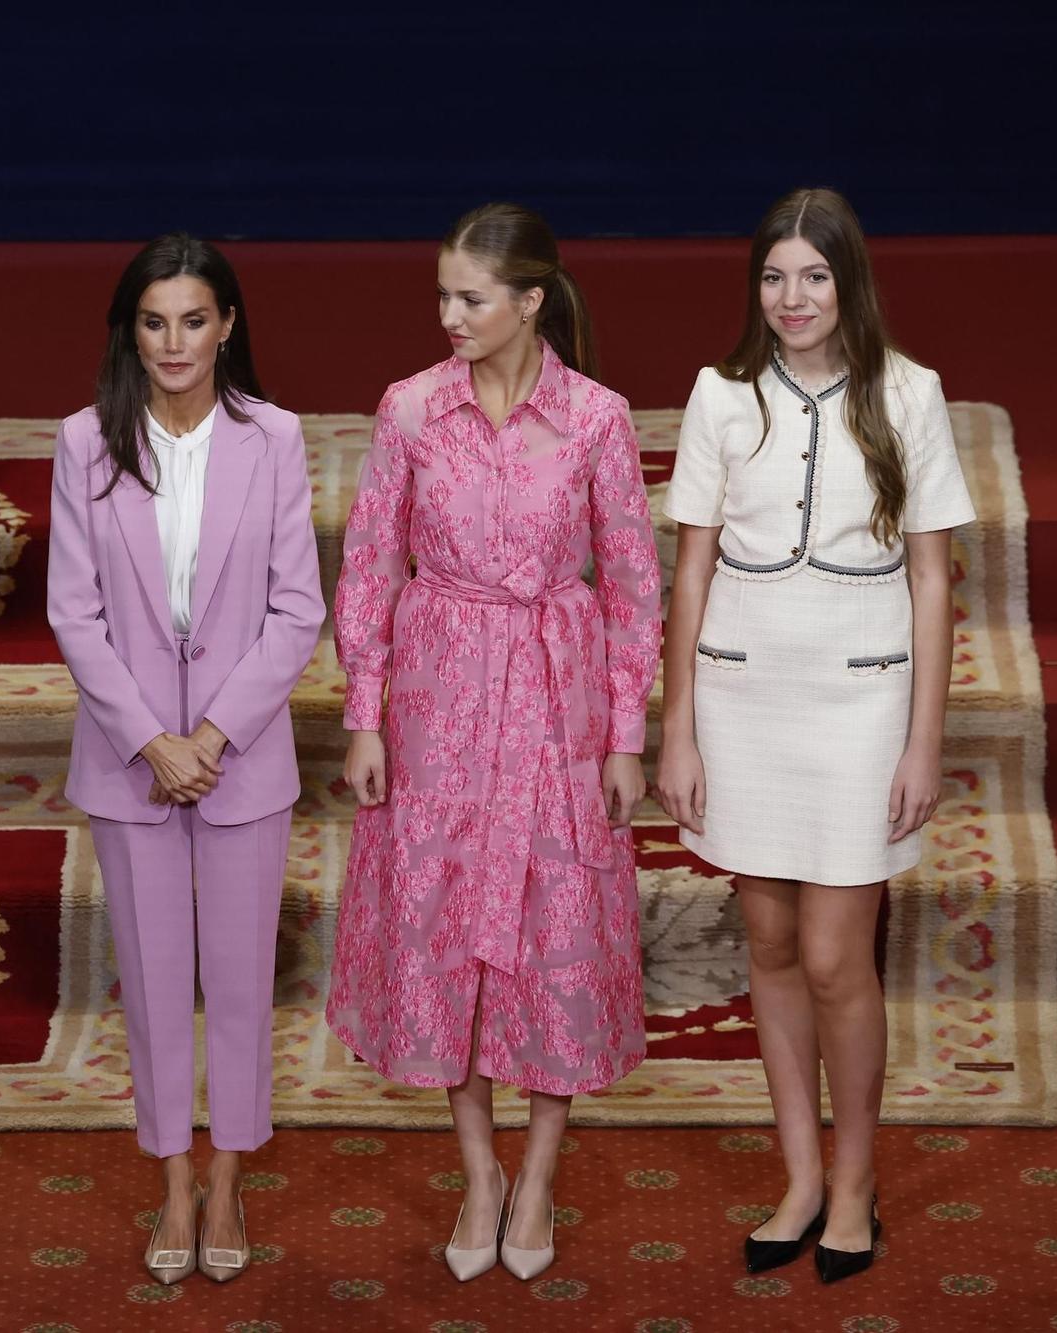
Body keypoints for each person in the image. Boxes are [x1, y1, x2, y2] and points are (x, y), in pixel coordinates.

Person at [326, 203, 661, 1282]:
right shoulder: (410, 410)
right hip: (438, 700)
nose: (448, 316)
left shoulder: (597, 418)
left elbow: (633, 584)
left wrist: (623, 732)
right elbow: (370, 564)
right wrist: (365, 712)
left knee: (554, 923)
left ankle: (541, 1170)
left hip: (557, 702)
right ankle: (478, 1168)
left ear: (530, 301)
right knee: (446, 926)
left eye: (468, 298)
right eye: (440, 296)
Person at [654, 187, 976, 1285]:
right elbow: (689, 565)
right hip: (741, 699)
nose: (790, 298)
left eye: (813, 277)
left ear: (849, 284)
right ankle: (796, 1177)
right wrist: (677, 730)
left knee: (839, 956)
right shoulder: (718, 395)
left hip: (857, 704)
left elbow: (931, 578)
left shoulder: (908, 394)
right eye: (772, 277)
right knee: (775, 950)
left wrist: (921, 740)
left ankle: (852, 1181)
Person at [46, 234, 323, 1285]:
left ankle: (229, 1177)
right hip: (129, 763)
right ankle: (171, 1181)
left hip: (237, 760)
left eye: (193, 320)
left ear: (226, 327)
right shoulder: (84, 441)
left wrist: (208, 737)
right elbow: (73, 613)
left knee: (242, 984)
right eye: (153, 322)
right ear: (129, 330)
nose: (173, 342)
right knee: (156, 983)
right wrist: (150, 741)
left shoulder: (274, 438)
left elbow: (296, 606)